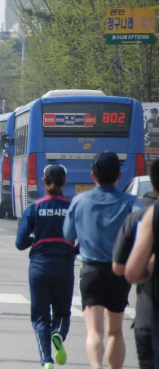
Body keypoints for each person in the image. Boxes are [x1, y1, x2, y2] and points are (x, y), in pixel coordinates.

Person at [63, 151, 144, 369]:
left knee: (94, 332)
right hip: (119, 272)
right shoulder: (130, 202)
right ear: (119, 175)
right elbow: (143, 228)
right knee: (115, 331)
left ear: (92, 175)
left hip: (90, 271)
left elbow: (68, 236)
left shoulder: (79, 201)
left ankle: (96, 367)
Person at [16, 165, 74, 369]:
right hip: (64, 268)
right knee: (62, 312)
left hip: (39, 268)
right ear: (64, 181)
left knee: (40, 317)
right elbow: (83, 237)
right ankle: (58, 332)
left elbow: (20, 243)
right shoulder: (71, 206)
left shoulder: (34, 207)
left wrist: (34, 239)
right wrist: (72, 250)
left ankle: (46, 360)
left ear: (43, 181)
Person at [113, 159, 159, 369]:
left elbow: (129, 271)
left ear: (153, 185)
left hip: (150, 318)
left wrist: (149, 267)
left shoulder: (147, 217)